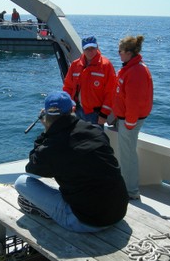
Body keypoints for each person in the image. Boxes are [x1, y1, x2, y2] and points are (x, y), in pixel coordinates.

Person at [14, 91, 129, 233]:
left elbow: (32, 167)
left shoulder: (52, 147)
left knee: (21, 181)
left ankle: (52, 213)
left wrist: (46, 131)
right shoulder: (95, 131)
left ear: (46, 115)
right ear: (73, 109)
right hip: (118, 212)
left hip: (86, 222)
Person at [113, 35, 153, 200]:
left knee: (127, 155)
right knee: (126, 153)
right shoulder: (132, 68)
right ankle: (128, 187)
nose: (119, 54)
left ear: (129, 52)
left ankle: (131, 191)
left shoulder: (136, 71)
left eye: (120, 51)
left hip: (129, 120)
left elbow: (133, 101)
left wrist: (129, 123)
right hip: (125, 119)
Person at [63, 36, 116, 128]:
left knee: (95, 141)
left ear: (97, 47)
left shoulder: (106, 66)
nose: (90, 51)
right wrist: (68, 105)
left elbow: (111, 92)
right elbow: (68, 87)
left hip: (95, 114)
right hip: (77, 111)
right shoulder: (75, 65)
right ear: (83, 50)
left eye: (93, 48)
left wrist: (104, 113)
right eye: (87, 49)